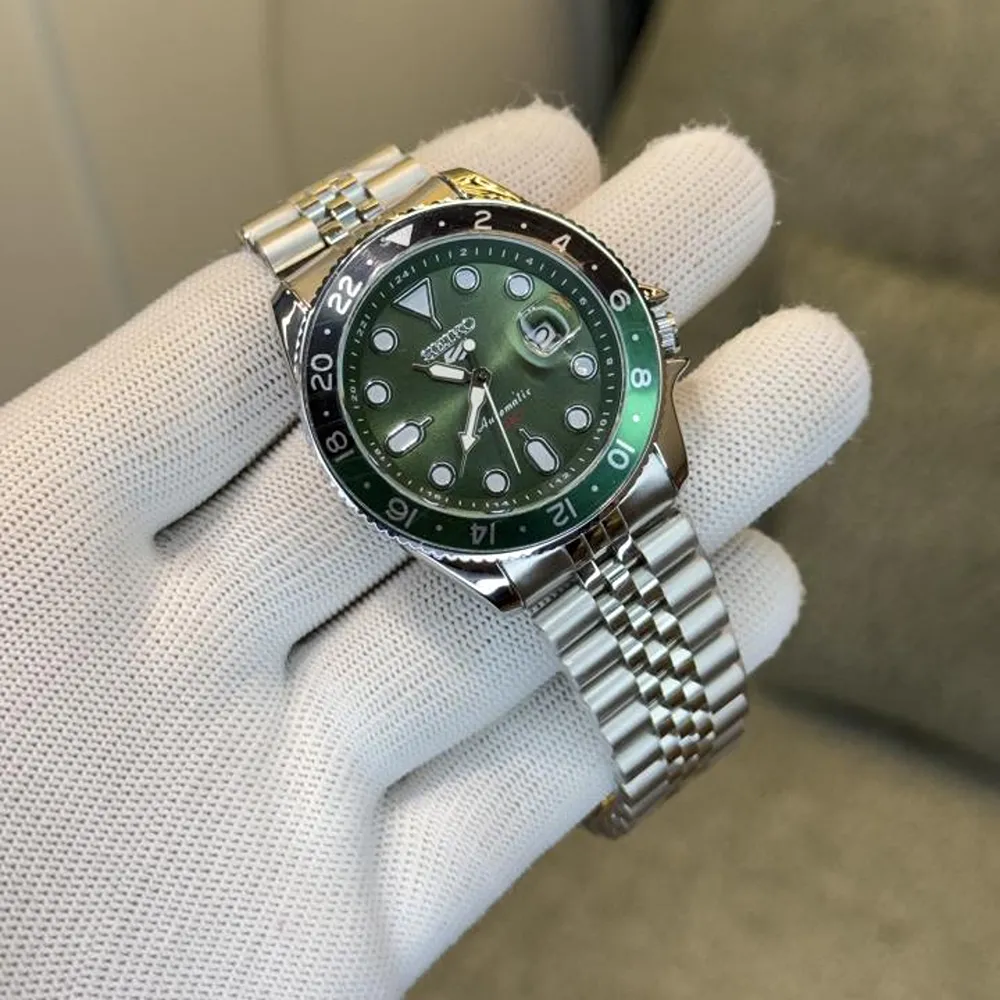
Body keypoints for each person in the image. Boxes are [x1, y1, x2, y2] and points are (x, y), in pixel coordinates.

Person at [0, 104, 870, 998]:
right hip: (510, 509)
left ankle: (667, 735)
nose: (479, 375)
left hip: (599, 467)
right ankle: (667, 735)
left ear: (640, 315)